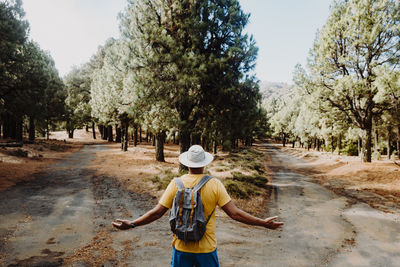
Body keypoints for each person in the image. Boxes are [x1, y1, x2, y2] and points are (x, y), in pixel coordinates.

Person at [112, 145, 283, 266]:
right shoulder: (215, 184)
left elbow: (156, 213)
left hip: (181, 247)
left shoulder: (175, 183)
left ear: (187, 163)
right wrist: (263, 223)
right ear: (204, 163)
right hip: (206, 250)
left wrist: (132, 223)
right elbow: (235, 214)